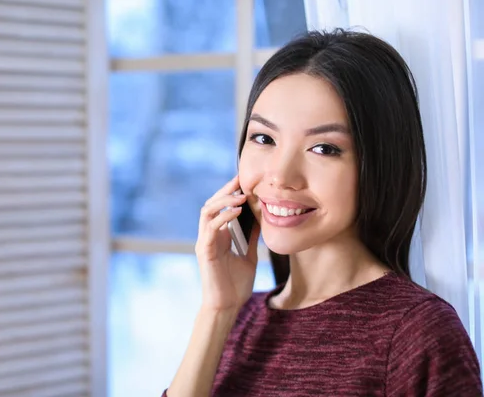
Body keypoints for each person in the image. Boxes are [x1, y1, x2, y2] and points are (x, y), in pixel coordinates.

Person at [161, 29, 483, 396]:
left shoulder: (418, 334)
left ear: (378, 165)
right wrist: (217, 311)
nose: (280, 176)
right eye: (264, 139)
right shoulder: (237, 317)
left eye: (324, 148)